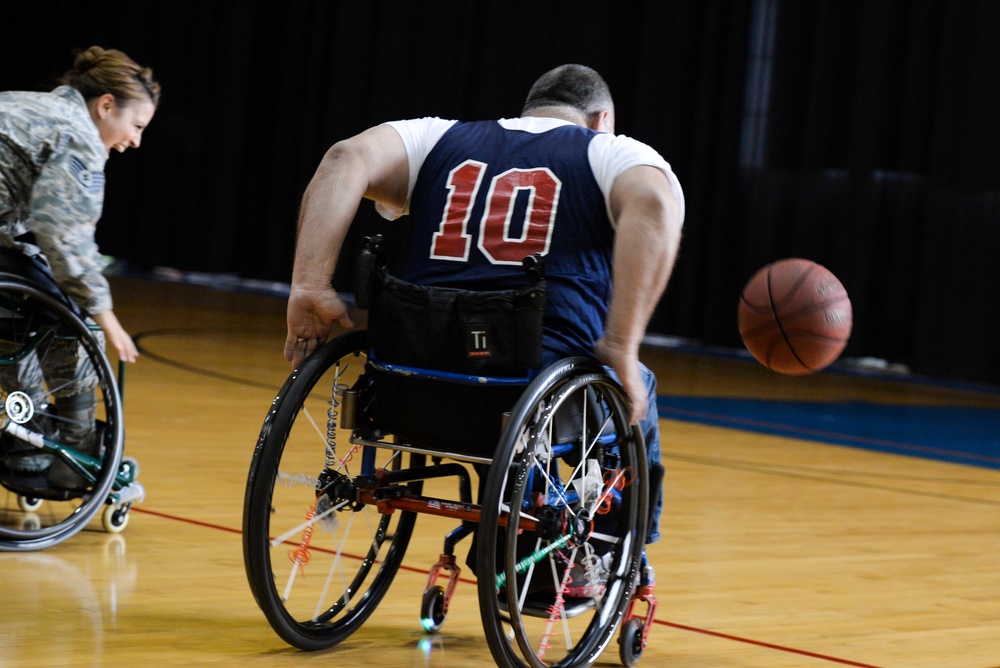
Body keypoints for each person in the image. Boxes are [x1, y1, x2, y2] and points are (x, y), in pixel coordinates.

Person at [286, 63, 684, 564]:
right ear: (601, 118)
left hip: (409, 384)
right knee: (635, 383)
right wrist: (623, 346)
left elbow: (345, 158)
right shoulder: (613, 152)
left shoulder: (437, 138)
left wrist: (309, 285)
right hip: (531, 392)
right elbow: (654, 206)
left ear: (529, 108)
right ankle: (619, 557)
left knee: (518, 358)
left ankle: (517, 526)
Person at [0, 46, 160, 488]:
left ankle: (28, 432)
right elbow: (66, 239)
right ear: (105, 105)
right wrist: (107, 318)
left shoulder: (30, 105)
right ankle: (73, 450)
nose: (136, 141)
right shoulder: (78, 135)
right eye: (136, 125)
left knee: (15, 308)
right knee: (76, 320)